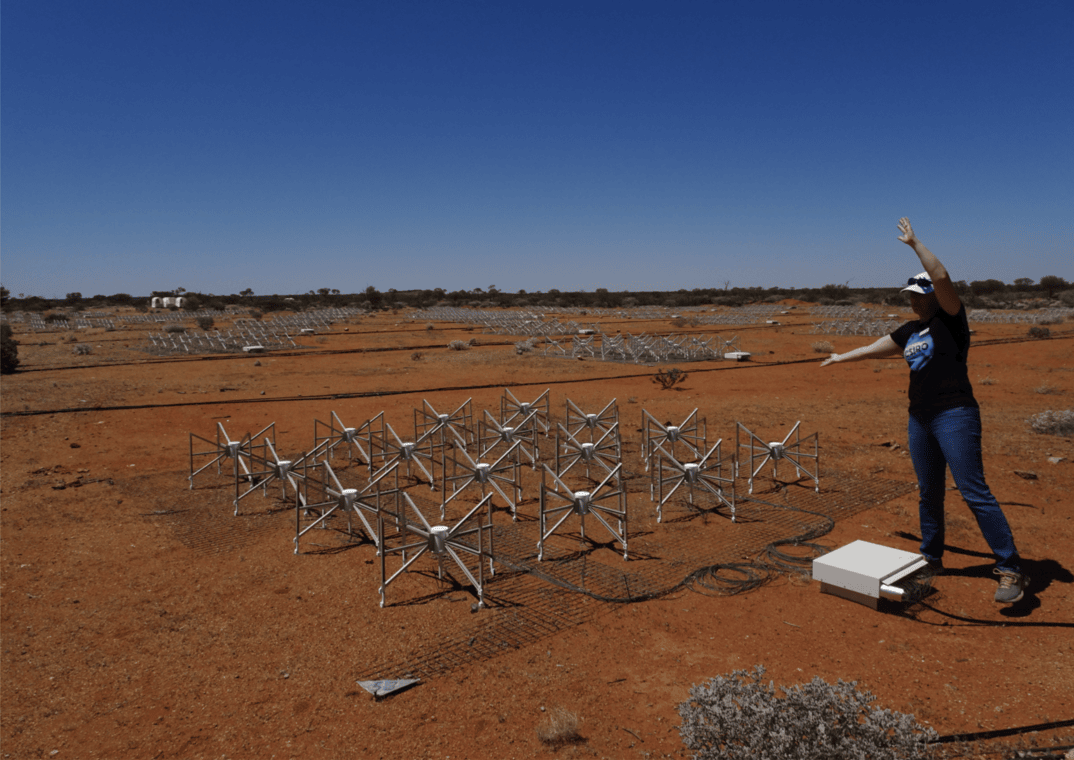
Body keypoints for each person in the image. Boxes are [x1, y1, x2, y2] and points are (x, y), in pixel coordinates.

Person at [821, 217, 1028, 603]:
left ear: (934, 295)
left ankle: (1010, 568)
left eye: (920, 293)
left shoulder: (951, 321)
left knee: (973, 490)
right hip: (920, 418)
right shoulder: (908, 332)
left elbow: (944, 276)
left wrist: (915, 243)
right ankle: (932, 557)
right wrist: (838, 358)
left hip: (955, 414)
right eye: (910, 295)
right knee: (928, 491)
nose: (914, 300)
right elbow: (871, 350)